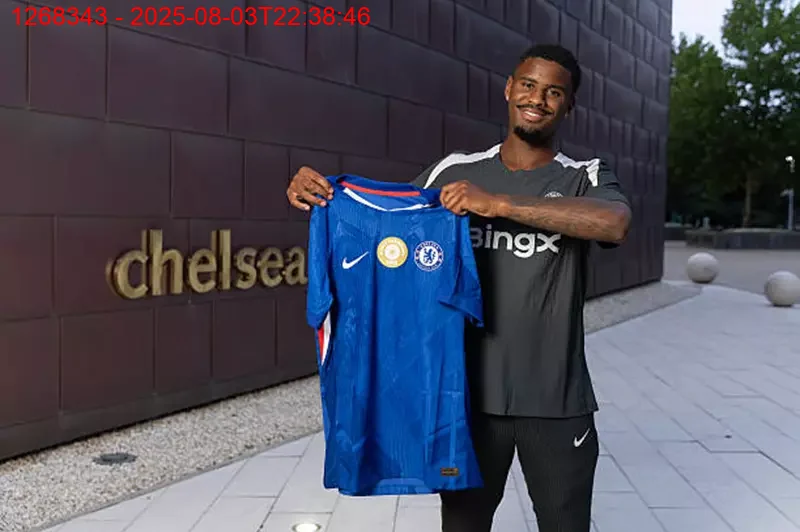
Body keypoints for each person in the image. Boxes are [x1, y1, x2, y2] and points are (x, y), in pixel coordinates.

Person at [286, 44, 631, 532]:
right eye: (528, 85)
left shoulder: (583, 176)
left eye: (554, 92)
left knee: (566, 525)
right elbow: (390, 225)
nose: (537, 99)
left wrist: (500, 205)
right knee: (463, 526)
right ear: (509, 89)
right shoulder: (455, 171)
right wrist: (322, 194)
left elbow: (614, 223)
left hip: (555, 399)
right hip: (464, 402)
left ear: (569, 105)